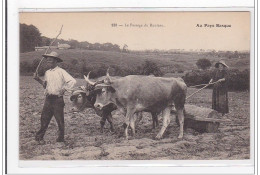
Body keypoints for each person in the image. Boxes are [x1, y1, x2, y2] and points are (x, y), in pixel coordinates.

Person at [33, 51, 76, 144]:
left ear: (56, 61)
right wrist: (38, 79)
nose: (48, 62)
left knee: (59, 120)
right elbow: (45, 86)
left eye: (51, 61)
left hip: (57, 99)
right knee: (44, 118)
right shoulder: (47, 72)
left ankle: (60, 139)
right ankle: (39, 137)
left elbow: (72, 81)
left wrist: (64, 89)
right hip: (48, 99)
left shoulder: (61, 71)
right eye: (47, 61)